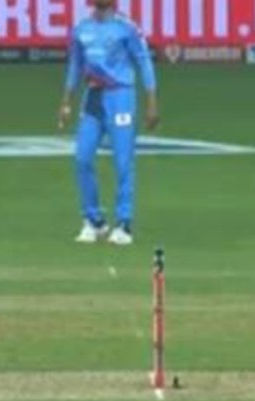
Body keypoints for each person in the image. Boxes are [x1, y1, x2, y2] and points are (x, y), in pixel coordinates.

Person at [58, 0, 160, 246]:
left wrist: (151, 102)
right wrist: (66, 102)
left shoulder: (127, 28)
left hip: (120, 96)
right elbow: (75, 65)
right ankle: (94, 221)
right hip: (93, 96)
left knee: (123, 161)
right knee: (82, 158)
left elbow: (144, 62)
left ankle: (124, 223)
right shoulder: (81, 28)